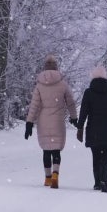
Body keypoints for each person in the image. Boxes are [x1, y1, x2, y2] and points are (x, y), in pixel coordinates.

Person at [25, 55, 78, 189]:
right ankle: (55, 174)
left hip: (43, 120)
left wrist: (29, 122)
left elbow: (34, 105)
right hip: (57, 121)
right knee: (56, 150)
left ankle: (47, 178)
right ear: (56, 67)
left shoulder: (39, 85)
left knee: (46, 150)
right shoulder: (62, 84)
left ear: (45, 68)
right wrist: (74, 117)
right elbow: (70, 102)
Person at [76, 66, 107, 193]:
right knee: (106, 157)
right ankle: (104, 181)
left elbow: (83, 112)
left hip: (93, 129)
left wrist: (80, 127)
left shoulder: (89, 92)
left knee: (96, 157)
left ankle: (97, 183)